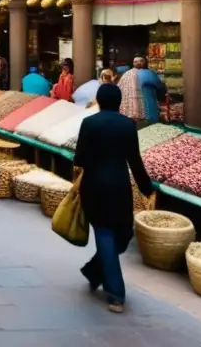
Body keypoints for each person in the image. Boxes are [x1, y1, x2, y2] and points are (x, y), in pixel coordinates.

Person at [73, 83, 155, 313]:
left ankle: (93, 270)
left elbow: (79, 159)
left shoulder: (89, 123)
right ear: (120, 102)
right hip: (120, 187)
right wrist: (147, 188)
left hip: (94, 187)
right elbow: (134, 160)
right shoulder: (128, 125)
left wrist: (76, 185)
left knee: (107, 234)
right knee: (117, 235)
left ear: (98, 100)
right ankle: (116, 293)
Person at [134, 56, 167, 122]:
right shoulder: (150, 72)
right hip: (150, 92)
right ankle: (152, 119)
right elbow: (158, 83)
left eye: (140, 61)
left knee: (148, 105)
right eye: (136, 62)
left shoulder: (143, 73)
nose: (138, 63)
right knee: (151, 105)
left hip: (147, 91)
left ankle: (150, 119)